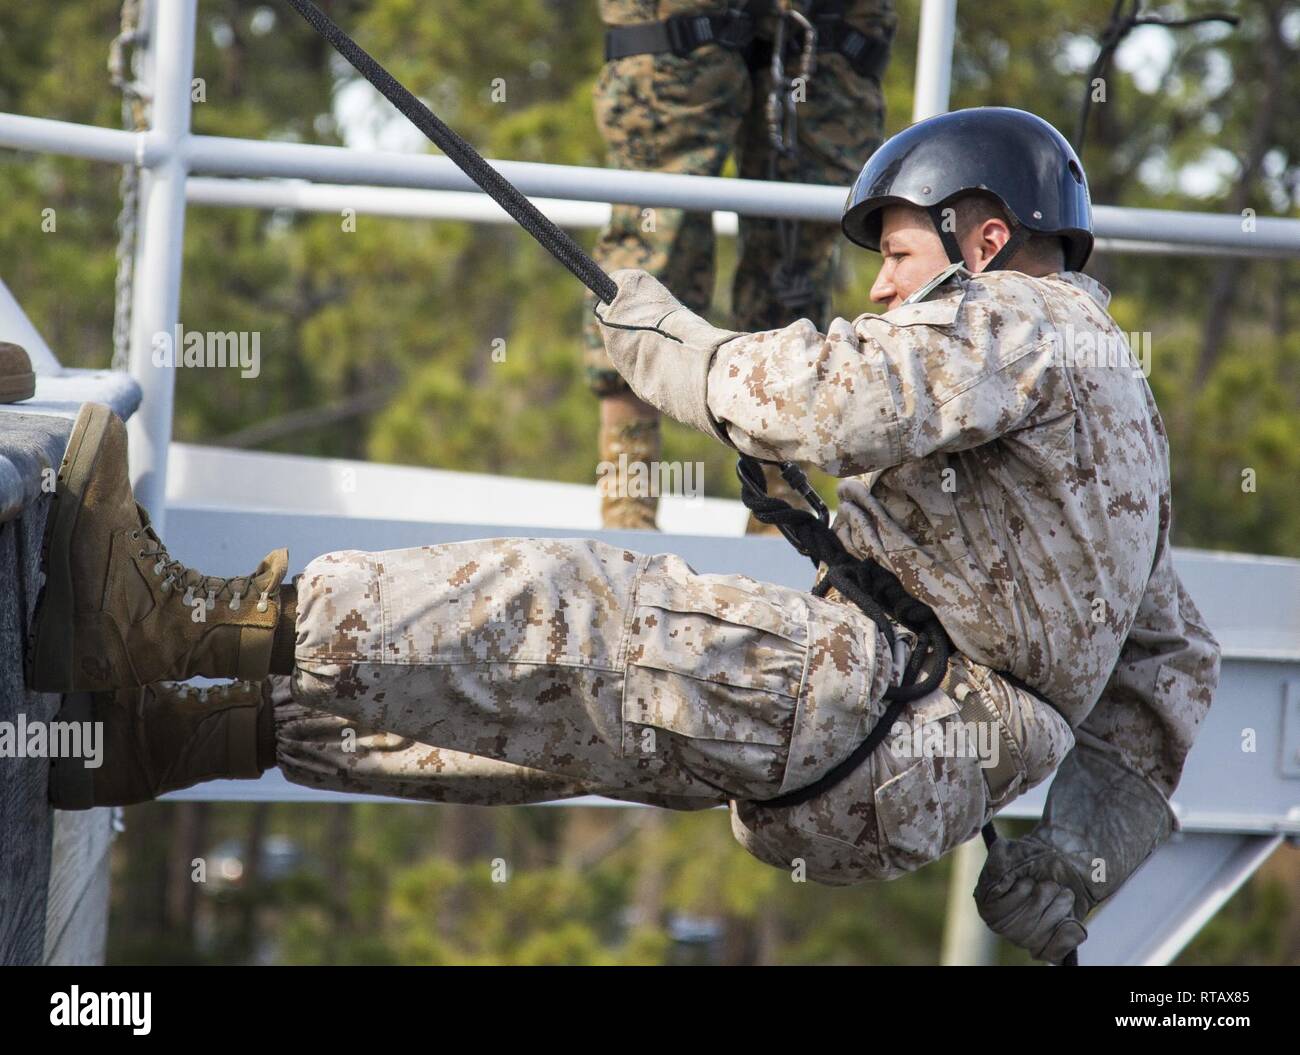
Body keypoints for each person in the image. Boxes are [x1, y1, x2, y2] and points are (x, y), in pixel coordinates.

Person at [27, 107, 1219, 964]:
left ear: (986, 239)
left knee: (568, 613)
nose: (880, 290)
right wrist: (1074, 867)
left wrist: (678, 352)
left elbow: (838, 399)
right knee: (549, 708)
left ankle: (166, 616)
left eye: (899, 255)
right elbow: (1168, 664)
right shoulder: (1130, 426)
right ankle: (162, 737)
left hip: (884, 708)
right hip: (907, 764)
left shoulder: (1028, 317)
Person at [584, 0, 896, 529]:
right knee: (656, 225)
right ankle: (627, 492)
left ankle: (778, 496)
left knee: (796, 244)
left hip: (823, 24)